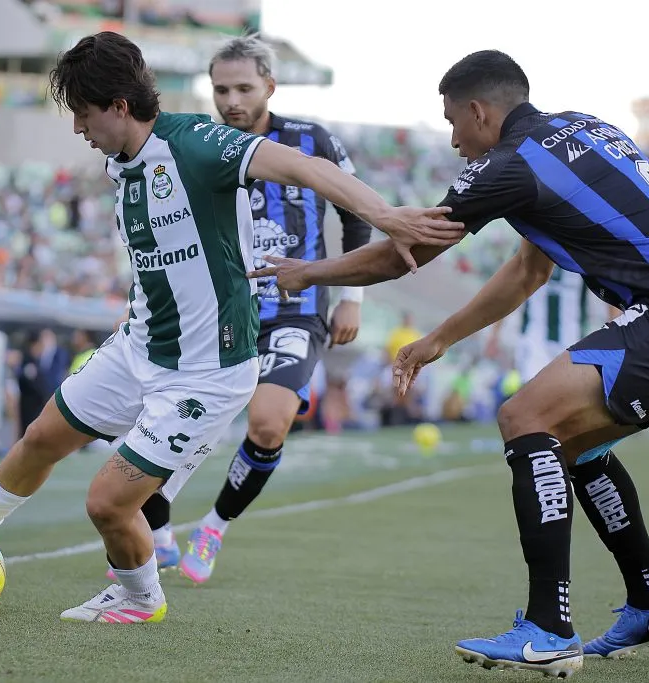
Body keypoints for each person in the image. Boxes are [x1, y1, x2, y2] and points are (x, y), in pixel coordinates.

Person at [0, 31, 461, 624]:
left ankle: (140, 598)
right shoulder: (122, 158)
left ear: (120, 107)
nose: (76, 129)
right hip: (141, 345)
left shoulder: (196, 146)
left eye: (83, 115)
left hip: (207, 373)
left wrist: (387, 215)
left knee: (108, 504)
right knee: (40, 438)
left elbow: (303, 166)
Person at [250, 50, 649, 677]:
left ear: (479, 111)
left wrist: (309, 271)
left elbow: (402, 253)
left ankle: (548, 628)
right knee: (569, 443)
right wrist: (439, 338)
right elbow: (528, 270)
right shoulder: (586, 128)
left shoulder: (507, 168)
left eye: (454, 122)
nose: (455, 139)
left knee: (525, 417)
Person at [133, 34, 373, 585]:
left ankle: (215, 525)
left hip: (297, 308)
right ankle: (161, 530)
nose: (232, 100)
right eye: (221, 89)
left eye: (244, 88)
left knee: (267, 424)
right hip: (215, 312)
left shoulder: (312, 141)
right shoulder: (194, 141)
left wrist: (352, 298)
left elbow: (356, 217)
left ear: (270, 85)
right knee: (167, 424)